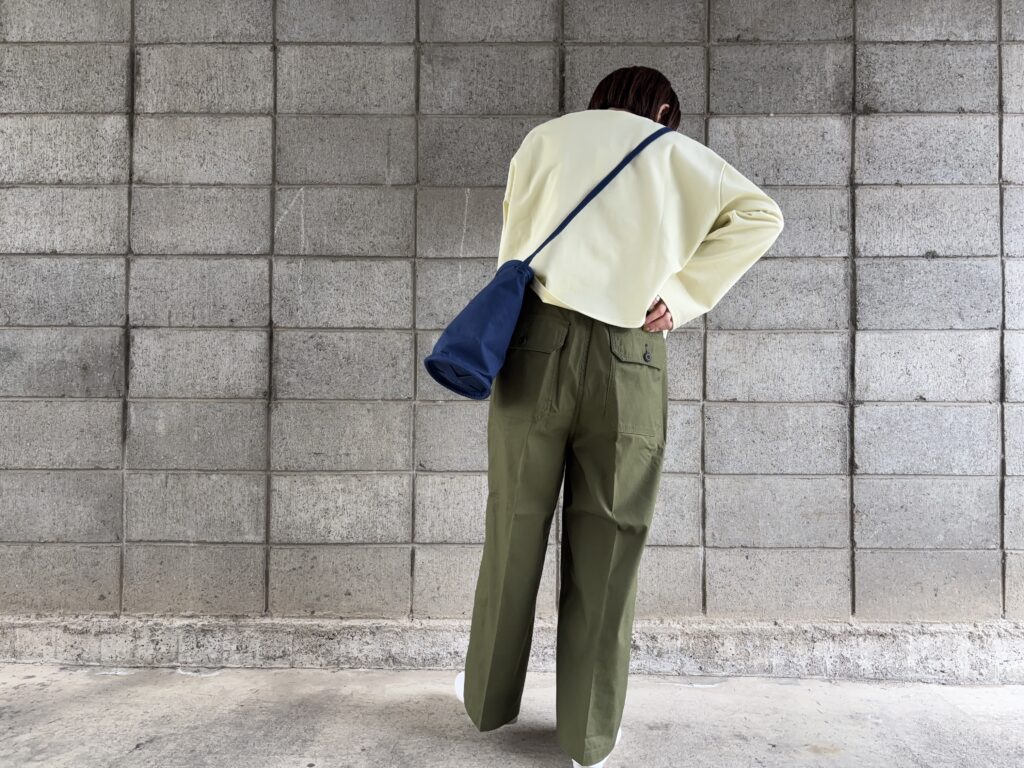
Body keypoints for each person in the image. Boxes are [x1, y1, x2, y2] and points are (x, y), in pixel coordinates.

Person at [452, 65, 784, 768]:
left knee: (512, 524)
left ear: (602, 99)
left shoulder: (545, 139)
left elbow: (515, 236)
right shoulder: (679, 154)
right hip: (630, 353)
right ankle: (588, 734)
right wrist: (682, 296)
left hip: (535, 342)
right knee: (610, 542)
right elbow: (763, 215)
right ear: (662, 109)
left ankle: (486, 699)